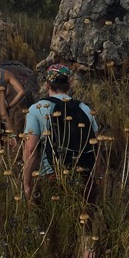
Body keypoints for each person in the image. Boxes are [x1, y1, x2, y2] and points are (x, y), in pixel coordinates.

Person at [22, 65, 99, 201]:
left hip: (51, 177)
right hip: (82, 178)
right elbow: (95, 146)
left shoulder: (36, 109)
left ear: (47, 85)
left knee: (50, 214)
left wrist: (27, 183)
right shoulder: (85, 109)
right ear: (69, 84)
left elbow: (30, 149)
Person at [0, 48, 27, 136]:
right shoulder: (6, 74)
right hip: (2, 109)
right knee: (4, 136)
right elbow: (21, 91)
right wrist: (10, 105)